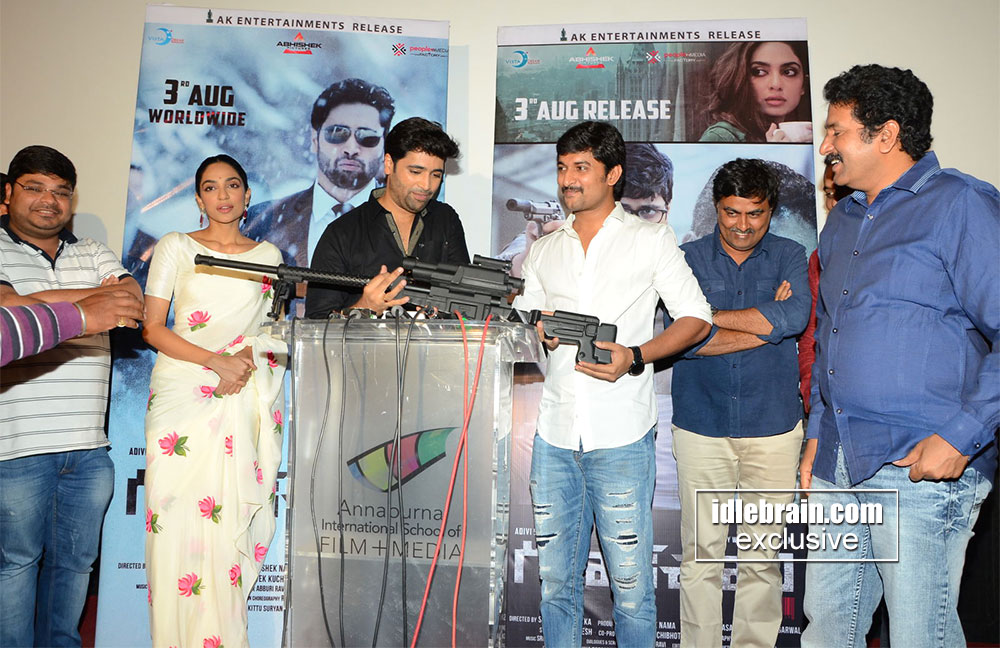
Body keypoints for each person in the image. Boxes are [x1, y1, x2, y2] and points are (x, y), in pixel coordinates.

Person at [800, 64, 999, 647]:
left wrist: (961, 436)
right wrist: (817, 433)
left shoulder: (962, 205)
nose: (825, 146)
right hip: (839, 459)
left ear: (885, 135)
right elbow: (830, 333)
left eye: (836, 131)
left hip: (919, 465)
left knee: (919, 636)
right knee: (827, 630)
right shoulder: (842, 220)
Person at [512, 121, 712, 646]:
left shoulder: (650, 239)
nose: (568, 179)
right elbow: (523, 330)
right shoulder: (545, 250)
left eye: (581, 168)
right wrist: (534, 331)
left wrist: (636, 356)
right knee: (556, 586)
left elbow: (697, 318)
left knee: (631, 590)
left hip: (622, 435)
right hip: (554, 436)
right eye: (562, 168)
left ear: (613, 173)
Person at [0, 145, 144, 646]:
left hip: (88, 448)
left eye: (61, 192)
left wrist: (39, 304)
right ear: (9, 192)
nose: (49, 200)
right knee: (15, 565)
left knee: (75, 566)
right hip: (17, 447)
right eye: (35, 188)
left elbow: (131, 302)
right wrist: (93, 304)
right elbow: (8, 311)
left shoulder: (93, 251)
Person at [141, 154, 287, 647]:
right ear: (198, 198)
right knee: (173, 525)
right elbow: (152, 328)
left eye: (232, 185)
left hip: (240, 393)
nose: (222, 195)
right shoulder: (176, 246)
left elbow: (272, 330)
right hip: (181, 398)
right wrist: (214, 362)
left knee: (225, 534)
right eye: (210, 187)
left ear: (248, 195)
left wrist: (242, 359)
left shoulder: (270, 256)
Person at [670, 158, 809, 647]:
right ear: (717, 207)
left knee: (761, 560)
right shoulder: (686, 259)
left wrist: (707, 318)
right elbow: (680, 338)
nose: (743, 225)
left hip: (773, 428)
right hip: (700, 426)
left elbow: (795, 316)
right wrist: (767, 325)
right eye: (732, 212)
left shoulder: (791, 254)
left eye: (756, 213)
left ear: (771, 210)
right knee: (700, 559)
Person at [305, 117, 469, 318]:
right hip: (362, 340)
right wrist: (362, 308)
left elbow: (465, 302)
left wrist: (439, 315)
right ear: (389, 164)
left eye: (436, 175)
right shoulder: (343, 232)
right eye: (416, 171)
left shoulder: (445, 219)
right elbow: (315, 321)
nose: (426, 185)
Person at [245, 77, 395, 267]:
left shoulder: (413, 224)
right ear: (315, 140)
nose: (351, 148)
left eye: (367, 136)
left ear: (384, 146)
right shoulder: (262, 220)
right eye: (338, 133)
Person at [797, 162, 852, 413]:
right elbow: (812, 333)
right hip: (831, 406)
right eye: (829, 194)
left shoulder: (899, 248)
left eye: (842, 193)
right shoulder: (820, 258)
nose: (832, 203)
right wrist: (812, 393)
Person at [700, 41, 811, 143]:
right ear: (739, 78)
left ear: (804, 85)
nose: (776, 84)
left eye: (789, 72)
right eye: (759, 72)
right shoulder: (720, 137)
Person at [1, 292, 144, 366]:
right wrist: (81, 314)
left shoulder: (95, 249)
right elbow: (7, 304)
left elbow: (131, 297)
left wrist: (27, 301)